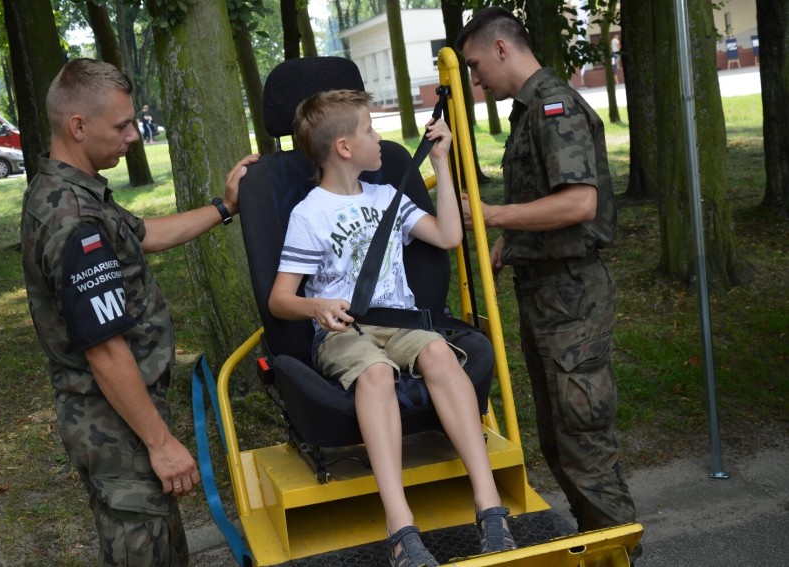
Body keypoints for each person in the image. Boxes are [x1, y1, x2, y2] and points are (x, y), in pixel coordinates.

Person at [20, 58, 259, 565]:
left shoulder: (77, 193)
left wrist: (225, 207)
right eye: (122, 125)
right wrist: (161, 442)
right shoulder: (73, 218)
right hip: (116, 424)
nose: (133, 135)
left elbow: (144, 235)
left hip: (120, 415)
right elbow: (105, 348)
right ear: (78, 126)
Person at [267, 90, 517, 567]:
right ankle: (400, 526)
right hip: (345, 332)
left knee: (442, 354)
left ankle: (489, 509)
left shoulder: (387, 196)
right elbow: (281, 299)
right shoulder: (309, 214)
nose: (378, 138)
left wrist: (441, 163)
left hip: (400, 324)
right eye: (369, 130)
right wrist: (315, 307)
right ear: (344, 147)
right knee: (377, 374)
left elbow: (447, 236)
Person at [455, 6, 639, 556]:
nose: (474, 78)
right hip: (547, 295)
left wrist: (492, 216)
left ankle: (619, 552)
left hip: (573, 298)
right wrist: (507, 246)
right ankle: (598, 545)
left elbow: (579, 202)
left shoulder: (554, 109)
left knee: (584, 447)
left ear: (502, 49)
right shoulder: (529, 113)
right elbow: (543, 201)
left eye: (475, 64)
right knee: (559, 443)